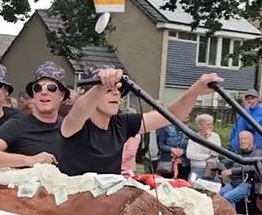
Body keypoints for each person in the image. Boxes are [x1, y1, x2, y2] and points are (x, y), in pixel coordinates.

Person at [57, 67, 222, 177]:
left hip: (107, 201)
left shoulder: (121, 122)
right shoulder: (73, 124)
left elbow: (172, 115)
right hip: (75, 204)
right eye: (109, 90)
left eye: (118, 90)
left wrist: (195, 91)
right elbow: (79, 111)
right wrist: (99, 86)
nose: (116, 94)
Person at [0, 62, 69, 171]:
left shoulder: (66, 127)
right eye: (37, 88)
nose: (43, 92)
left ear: (61, 95)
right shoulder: (18, 124)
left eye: (51, 87)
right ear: (33, 95)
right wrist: (30, 160)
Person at [219, 131, 260, 208]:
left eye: (245, 139)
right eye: (240, 139)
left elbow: (254, 168)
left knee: (227, 198)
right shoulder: (238, 152)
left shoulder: (258, 153)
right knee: (217, 195)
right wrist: (224, 171)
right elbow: (223, 162)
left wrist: (232, 171)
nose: (242, 141)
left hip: (247, 184)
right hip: (233, 183)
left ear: (251, 141)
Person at [184, 114, 221, 178]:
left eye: (211, 124)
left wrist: (208, 139)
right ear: (200, 126)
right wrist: (208, 157)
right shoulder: (193, 137)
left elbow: (215, 153)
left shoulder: (215, 136)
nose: (210, 126)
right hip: (196, 167)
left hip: (211, 168)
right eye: (207, 124)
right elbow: (190, 155)